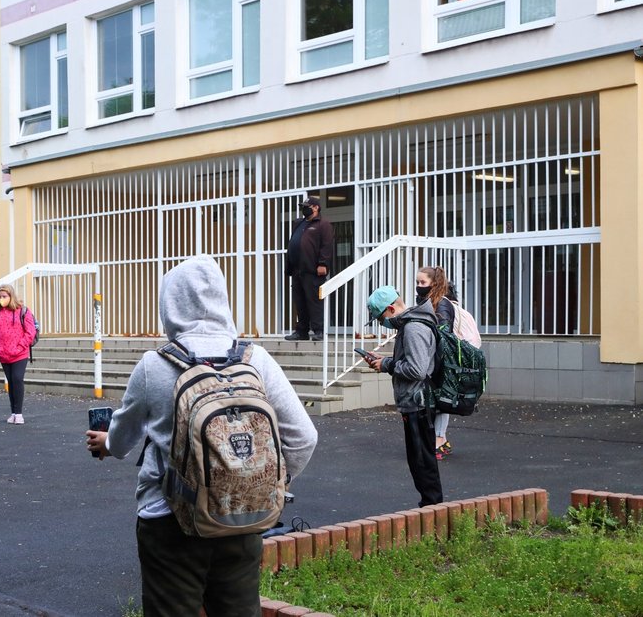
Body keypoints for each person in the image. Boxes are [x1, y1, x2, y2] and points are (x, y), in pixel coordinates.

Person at [85, 255, 319, 616]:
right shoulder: (256, 360)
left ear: (170, 303)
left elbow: (124, 437)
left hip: (169, 520)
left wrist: (107, 444)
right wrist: (255, 484)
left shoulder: (155, 365)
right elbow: (303, 437)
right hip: (241, 517)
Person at [363, 285, 443, 507]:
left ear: (390, 308)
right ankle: (431, 508)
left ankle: (432, 510)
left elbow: (417, 370)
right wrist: (386, 360)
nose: (382, 324)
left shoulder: (413, 328)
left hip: (418, 404)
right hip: (417, 403)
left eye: (381, 319)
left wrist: (386, 364)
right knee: (420, 460)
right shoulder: (412, 325)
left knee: (422, 462)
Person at [415, 266, 456, 460]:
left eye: (423, 282)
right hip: (432, 357)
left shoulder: (442, 304)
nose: (419, 286)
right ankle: (441, 439)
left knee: (441, 400)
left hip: (441, 358)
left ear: (434, 283)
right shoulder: (426, 301)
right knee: (435, 399)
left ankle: (439, 440)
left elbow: (444, 332)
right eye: (417, 282)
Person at [0, 284, 36, 425]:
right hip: (3, 354)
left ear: (11, 296)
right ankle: (13, 413)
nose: (1, 299)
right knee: (11, 382)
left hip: (20, 353)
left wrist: (20, 346)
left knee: (17, 378)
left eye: (4, 296)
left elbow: (30, 332)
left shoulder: (23, 311)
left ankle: (19, 414)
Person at [284, 196, 334, 341]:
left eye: (307, 206)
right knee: (300, 302)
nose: (304, 208)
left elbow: (326, 245)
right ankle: (302, 331)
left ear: (316, 207)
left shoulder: (323, 224)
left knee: (314, 301)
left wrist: (323, 263)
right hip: (297, 269)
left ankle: (318, 331)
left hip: (313, 270)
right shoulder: (299, 223)